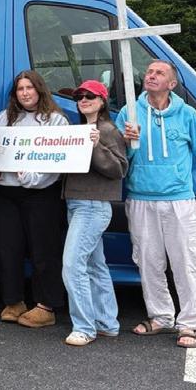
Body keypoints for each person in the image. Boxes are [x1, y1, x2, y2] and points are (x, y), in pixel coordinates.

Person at [120, 60, 196, 349]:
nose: (151, 75)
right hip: (140, 198)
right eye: (149, 72)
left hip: (179, 200)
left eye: (159, 73)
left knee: (185, 262)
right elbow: (119, 159)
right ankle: (161, 316)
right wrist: (127, 143)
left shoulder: (187, 114)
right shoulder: (129, 112)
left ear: (172, 84)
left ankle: (189, 322)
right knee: (148, 262)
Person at [0, 70, 68, 327]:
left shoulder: (55, 120)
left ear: (39, 90)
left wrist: (33, 178)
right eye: (20, 89)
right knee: (8, 248)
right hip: (7, 194)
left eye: (29, 87)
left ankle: (46, 306)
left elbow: (59, 160)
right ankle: (14, 301)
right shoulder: (2, 118)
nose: (25, 93)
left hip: (42, 195)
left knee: (44, 251)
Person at [60, 80, 127, 346]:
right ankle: (107, 323)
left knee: (72, 265)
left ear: (102, 101)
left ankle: (84, 327)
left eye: (90, 96)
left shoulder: (107, 130)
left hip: (92, 205)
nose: (84, 100)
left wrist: (97, 146)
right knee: (95, 266)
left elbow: (120, 169)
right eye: (79, 97)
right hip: (78, 203)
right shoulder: (79, 130)